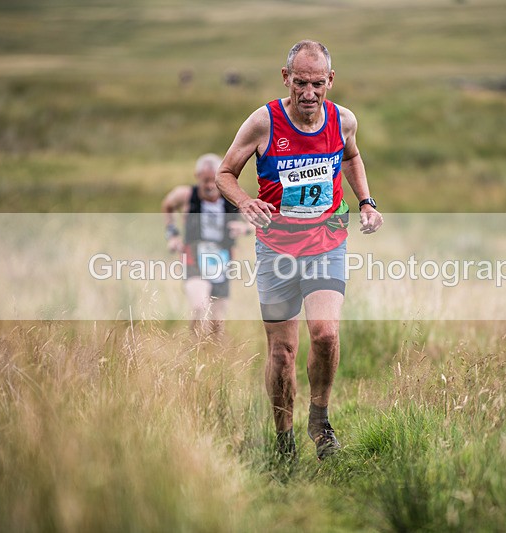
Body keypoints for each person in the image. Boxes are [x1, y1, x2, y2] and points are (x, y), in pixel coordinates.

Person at [216, 40, 383, 460]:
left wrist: (366, 202)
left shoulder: (343, 120)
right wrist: (244, 201)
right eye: (301, 83)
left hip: (327, 240)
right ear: (286, 78)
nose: (309, 93)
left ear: (331, 81)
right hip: (276, 249)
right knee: (283, 352)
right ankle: (284, 441)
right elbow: (224, 173)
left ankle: (320, 421)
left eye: (318, 84)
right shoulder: (262, 122)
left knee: (325, 334)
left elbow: (352, 157)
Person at [162, 153, 250, 337]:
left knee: (218, 322)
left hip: (223, 258)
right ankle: (194, 347)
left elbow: (254, 219)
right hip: (193, 255)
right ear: (197, 177)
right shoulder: (186, 195)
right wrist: (172, 235)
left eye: (214, 181)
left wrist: (244, 228)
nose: (210, 185)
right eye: (205, 181)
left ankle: (213, 360)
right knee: (200, 306)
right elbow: (167, 205)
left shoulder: (233, 198)